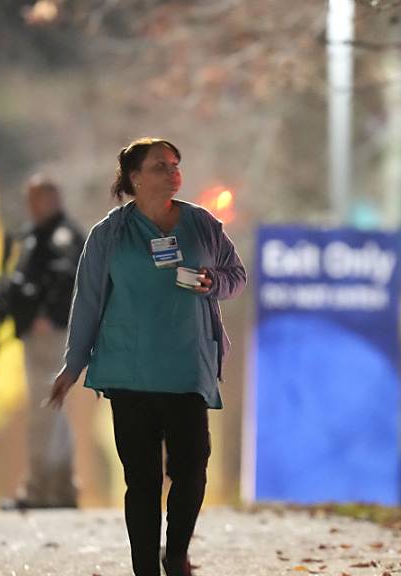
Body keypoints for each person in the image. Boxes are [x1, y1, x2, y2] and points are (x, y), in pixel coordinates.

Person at [46, 137, 246, 576]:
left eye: (176, 164)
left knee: (192, 470)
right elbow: (88, 302)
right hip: (129, 372)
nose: (173, 172)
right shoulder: (109, 234)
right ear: (135, 178)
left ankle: (175, 556)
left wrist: (214, 281)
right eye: (160, 166)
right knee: (142, 480)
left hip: (187, 368)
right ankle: (144, 569)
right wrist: (73, 365)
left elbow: (237, 276)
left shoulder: (202, 224)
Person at [0, 174, 84, 510]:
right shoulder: (38, 235)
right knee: (53, 414)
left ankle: (40, 490)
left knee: (44, 412)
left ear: (52, 199)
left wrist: (49, 316)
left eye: (36, 199)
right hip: (41, 334)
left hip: (51, 335)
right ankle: (60, 489)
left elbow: (70, 279)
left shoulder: (61, 236)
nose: (30, 207)